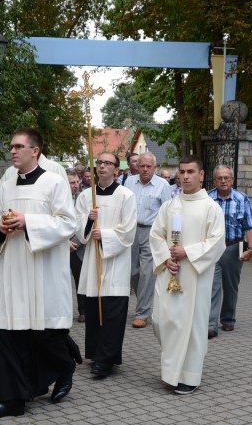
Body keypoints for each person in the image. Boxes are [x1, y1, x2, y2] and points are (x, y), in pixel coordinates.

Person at [0, 128, 82, 420]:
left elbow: (67, 223)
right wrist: (1, 227)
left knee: (44, 335)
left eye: (19, 146)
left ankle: (64, 367)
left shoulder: (54, 182)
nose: (12, 151)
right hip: (13, 269)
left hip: (43, 270)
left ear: (35, 151)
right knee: (9, 333)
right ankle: (12, 401)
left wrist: (28, 222)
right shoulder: (6, 183)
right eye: (11, 146)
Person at [149, 155, 225, 395]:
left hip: (195, 277)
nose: (185, 176)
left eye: (191, 172)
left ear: (201, 175)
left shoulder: (211, 207)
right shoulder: (170, 206)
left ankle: (189, 376)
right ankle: (172, 370)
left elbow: (217, 242)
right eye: (182, 172)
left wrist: (187, 252)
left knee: (191, 325)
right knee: (162, 321)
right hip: (170, 273)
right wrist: (166, 257)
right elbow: (156, 235)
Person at [76, 152, 137, 378]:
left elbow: (129, 230)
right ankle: (94, 353)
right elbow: (78, 230)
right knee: (93, 309)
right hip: (93, 260)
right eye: (99, 163)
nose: (102, 166)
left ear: (116, 170)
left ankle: (107, 359)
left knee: (112, 311)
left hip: (116, 261)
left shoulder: (126, 196)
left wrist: (106, 235)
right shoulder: (85, 197)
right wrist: (89, 221)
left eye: (107, 163)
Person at [207, 165, 252, 339]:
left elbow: (250, 227)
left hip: (234, 246)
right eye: (219, 178)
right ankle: (210, 324)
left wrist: (249, 249)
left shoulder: (241, 199)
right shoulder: (207, 198)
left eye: (226, 178)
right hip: (212, 248)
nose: (223, 181)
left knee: (231, 285)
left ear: (232, 180)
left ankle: (228, 319)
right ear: (214, 180)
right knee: (212, 286)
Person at [124, 153, 172, 329]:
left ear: (155, 167)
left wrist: (167, 240)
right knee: (132, 272)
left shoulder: (163, 185)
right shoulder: (129, 182)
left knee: (146, 272)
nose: (144, 169)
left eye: (148, 167)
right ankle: (144, 302)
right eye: (141, 166)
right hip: (131, 230)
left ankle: (142, 313)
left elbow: (169, 212)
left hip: (152, 231)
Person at [67, 169, 86, 323]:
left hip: (78, 246)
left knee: (81, 279)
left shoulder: (84, 198)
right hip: (60, 245)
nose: (75, 185)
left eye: (77, 182)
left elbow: (85, 223)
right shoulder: (59, 200)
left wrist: (75, 242)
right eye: (71, 183)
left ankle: (83, 311)